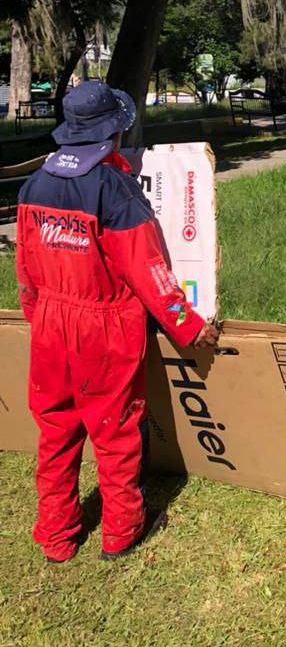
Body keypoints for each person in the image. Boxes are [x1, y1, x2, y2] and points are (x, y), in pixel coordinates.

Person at [16, 81, 219, 563]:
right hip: (103, 328)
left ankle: (56, 534)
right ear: (113, 136)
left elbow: (25, 271)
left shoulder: (35, 182)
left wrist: (40, 318)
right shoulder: (115, 189)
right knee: (114, 430)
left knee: (56, 432)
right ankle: (121, 530)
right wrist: (189, 328)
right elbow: (149, 273)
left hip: (48, 324)